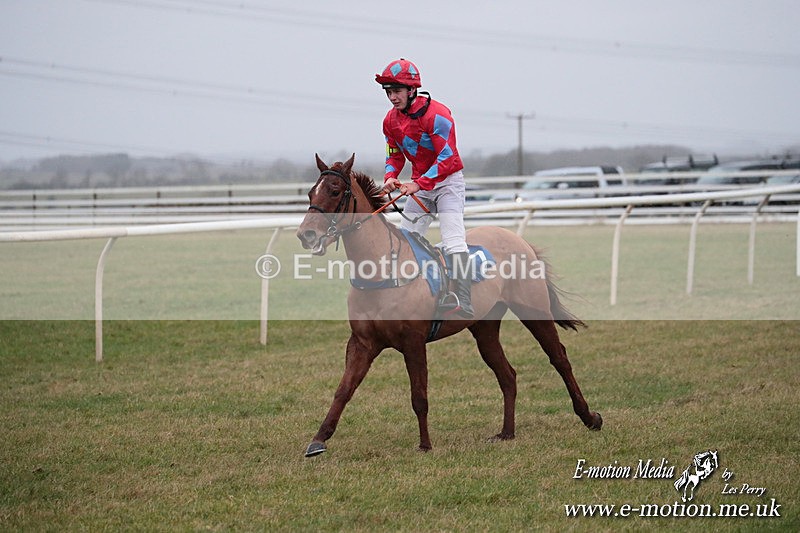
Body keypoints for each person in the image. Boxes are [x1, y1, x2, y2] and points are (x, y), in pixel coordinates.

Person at [376, 58, 473, 319]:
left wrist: (417, 183)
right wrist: (390, 177)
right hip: (419, 186)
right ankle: (409, 297)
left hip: (447, 184)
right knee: (406, 239)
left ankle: (464, 300)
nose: (392, 97)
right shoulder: (390, 120)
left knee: (453, 240)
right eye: (388, 92)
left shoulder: (438, 114)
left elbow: (448, 157)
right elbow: (393, 154)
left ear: (411, 90)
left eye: (396, 91)